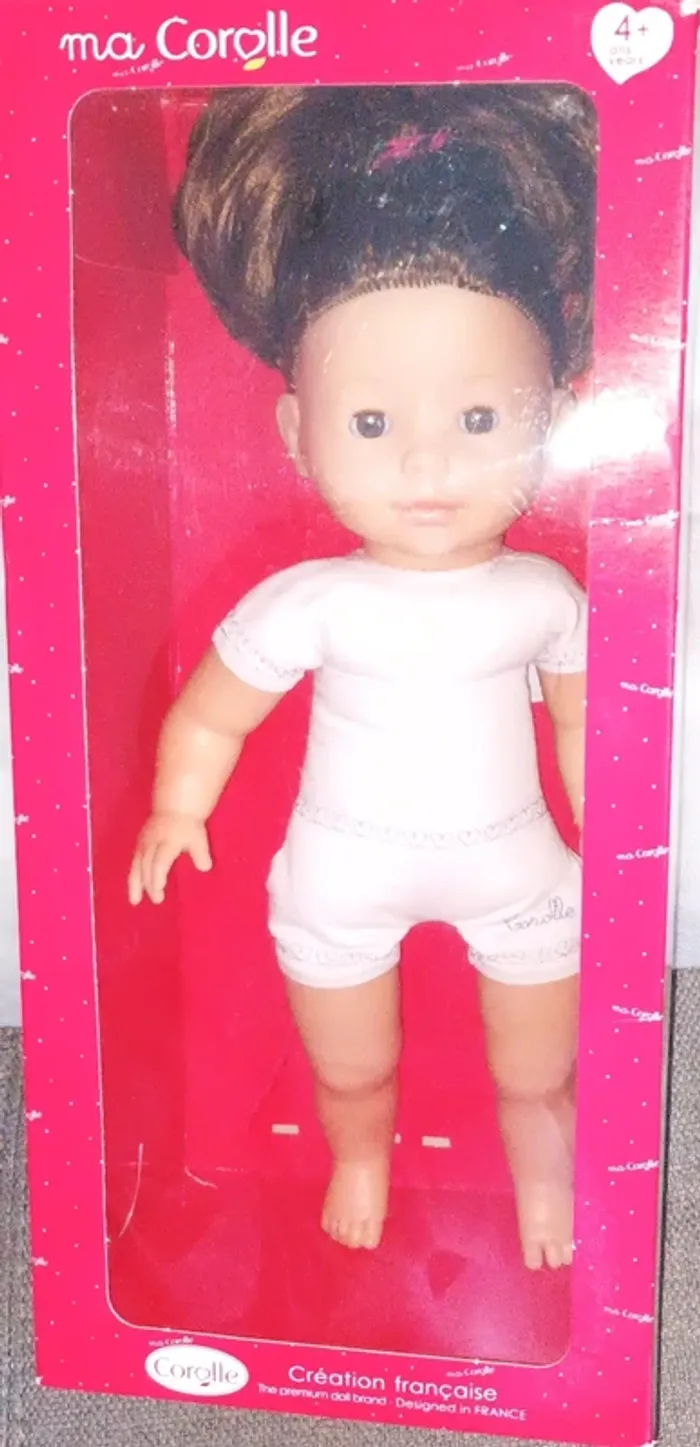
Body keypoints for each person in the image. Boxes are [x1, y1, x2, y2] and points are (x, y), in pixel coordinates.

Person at [128, 84, 595, 1269]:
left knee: (538, 1065)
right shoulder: (313, 602)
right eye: (373, 425)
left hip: (518, 864)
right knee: (350, 1065)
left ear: (555, 419)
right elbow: (212, 714)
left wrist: (613, 823)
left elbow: (582, 722)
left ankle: (545, 1174)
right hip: (339, 871)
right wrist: (176, 805)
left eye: (480, 417)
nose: (427, 464)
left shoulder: (545, 597)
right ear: (297, 436)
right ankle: (359, 1154)